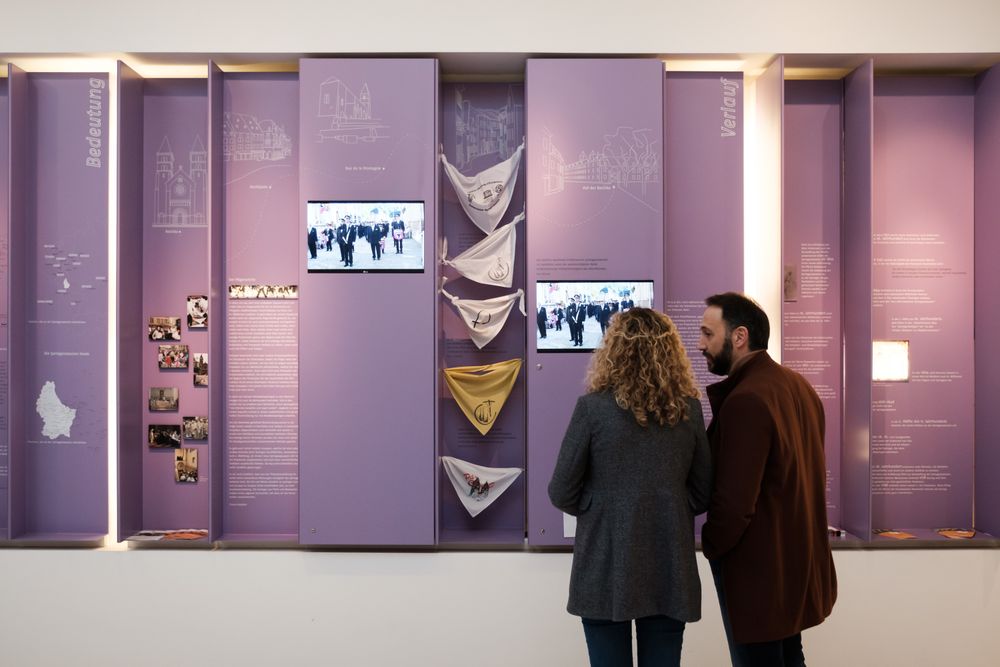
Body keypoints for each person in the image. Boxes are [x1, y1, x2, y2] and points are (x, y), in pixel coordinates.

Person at [549, 307, 712, 667]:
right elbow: (702, 493)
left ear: (613, 350)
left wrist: (603, 506)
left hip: (605, 564)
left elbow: (561, 491)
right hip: (668, 565)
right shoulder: (689, 410)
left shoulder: (592, 409)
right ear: (671, 352)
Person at [697, 292, 837, 667]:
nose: (700, 345)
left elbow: (735, 503)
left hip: (758, 574)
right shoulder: (800, 388)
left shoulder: (747, 400)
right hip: (794, 566)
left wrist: (712, 544)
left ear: (739, 336)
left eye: (708, 334)